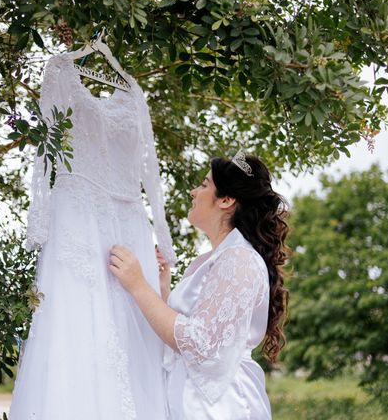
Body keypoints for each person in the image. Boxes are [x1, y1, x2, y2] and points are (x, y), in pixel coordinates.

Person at [109, 151, 289, 419]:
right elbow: (192, 327)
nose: (194, 192)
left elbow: (201, 344)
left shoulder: (240, 259)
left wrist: (138, 286)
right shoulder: (211, 259)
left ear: (226, 200)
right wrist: (163, 289)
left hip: (219, 407)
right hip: (191, 401)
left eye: (205, 185)